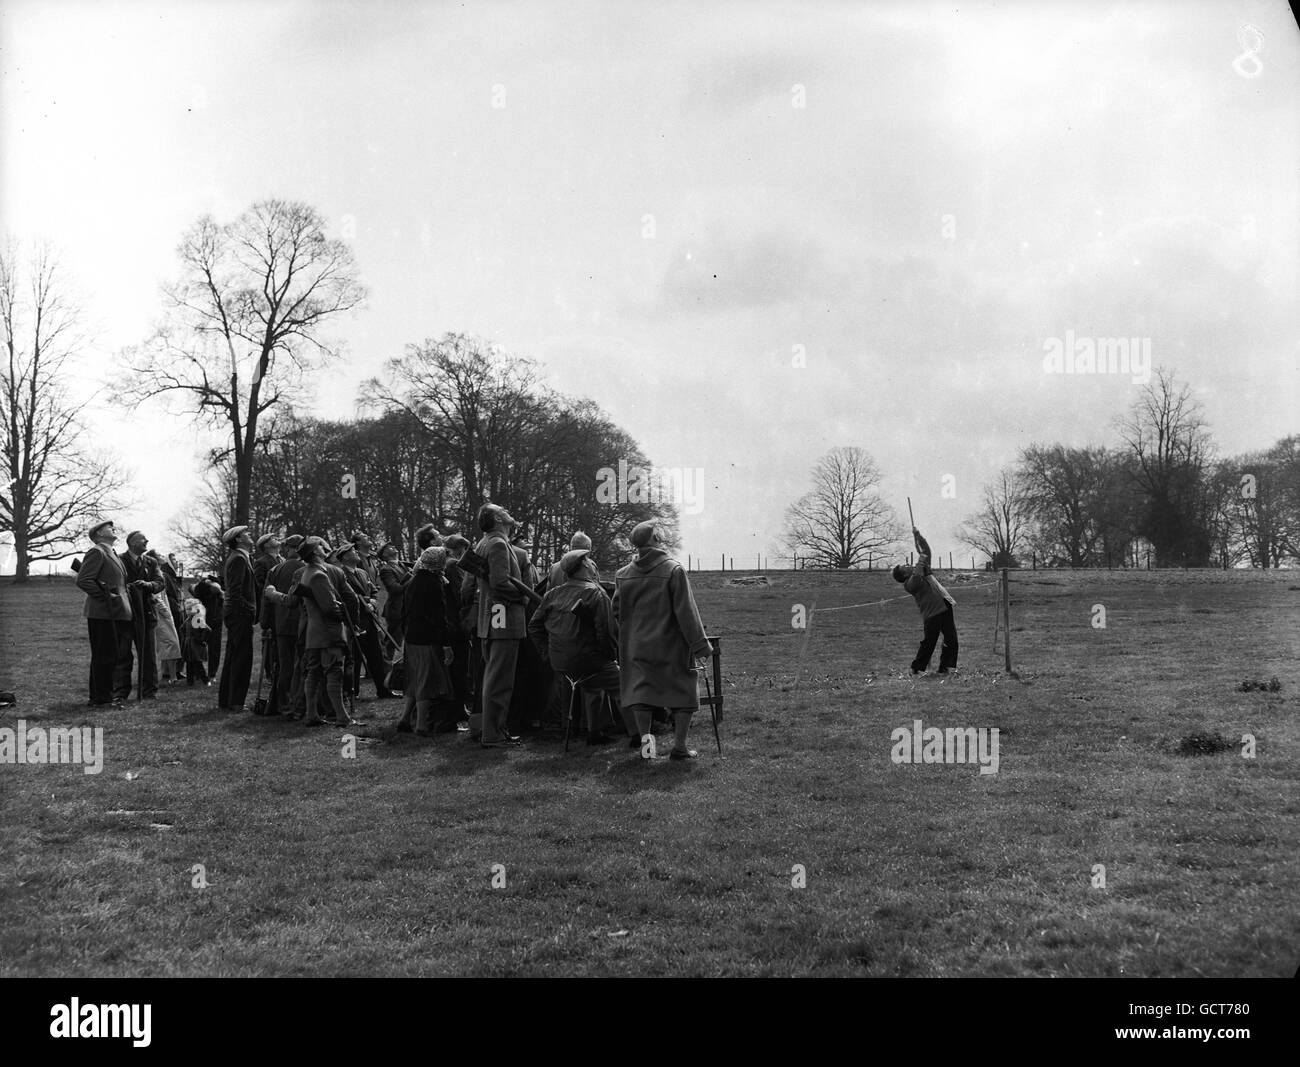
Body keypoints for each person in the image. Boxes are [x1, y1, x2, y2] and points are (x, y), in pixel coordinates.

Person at [613, 521, 713, 761]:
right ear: (656, 539)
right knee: (684, 692)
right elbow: (687, 612)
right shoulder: (673, 570)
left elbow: (616, 611)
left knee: (642, 696)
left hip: (637, 646)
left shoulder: (623, 575)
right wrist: (700, 645)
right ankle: (679, 747)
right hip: (671, 646)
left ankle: (648, 749)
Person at [530, 548, 635, 745]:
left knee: (592, 685)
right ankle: (639, 736)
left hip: (561, 663)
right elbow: (606, 632)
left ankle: (595, 733)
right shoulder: (596, 593)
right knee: (623, 687)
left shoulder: (552, 594)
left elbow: (534, 626)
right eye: (588, 561)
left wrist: (548, 653)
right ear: (584, 566)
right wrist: (610, 657)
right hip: (589, 659)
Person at [284, 536, 357, 728]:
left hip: (314, 633)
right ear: (316, 552)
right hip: (328, 632)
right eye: (321, 547)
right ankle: (342, 717)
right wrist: (343, 612)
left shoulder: (308, 572)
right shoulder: (319, 575)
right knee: (334, 673)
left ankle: (312, 715)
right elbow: (329, 608)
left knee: (314, 674)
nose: (325, 549)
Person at [473, 504, 525, 748]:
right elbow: (500, 582)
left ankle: (495, 730)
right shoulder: (497, 543)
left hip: (492, 618)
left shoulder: (484, 542)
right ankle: (493, 734)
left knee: (493, 678)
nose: (507, 510)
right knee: (499, 680)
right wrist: (524, 598)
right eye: (502, 510)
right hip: (502, 619)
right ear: (496, 518)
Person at [395, 546, 457, 735]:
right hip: (427, 639)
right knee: (426, 680)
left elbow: (403, 612)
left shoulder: (413, 580)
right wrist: (446, 644)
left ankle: (405, 719)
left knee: (415, 679)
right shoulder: (433, 583)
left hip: (412, 637)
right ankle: (421, 725)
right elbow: (439, 617)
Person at [75, 518, 133, 708]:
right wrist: (105, 596)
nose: (113, 528)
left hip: (116, 613)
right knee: (104, 656)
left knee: (112, 656)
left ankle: (103, 697)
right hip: (103, 613)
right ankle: (100, 699)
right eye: (109, 527)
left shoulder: (112, 553)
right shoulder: (97, 551)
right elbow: (84, 580)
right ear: (99, 534)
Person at [893, 526, 958, 675]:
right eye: (905, 567)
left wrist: (919, 537)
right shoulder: (910, 584)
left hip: (945, 604)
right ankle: (916, 668)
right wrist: (920, 559)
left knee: (951, 639)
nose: (908, 565)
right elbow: (917, 571)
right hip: (932, 613)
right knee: (929, 642)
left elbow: (927, 552)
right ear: (903, 575)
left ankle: (946, 667)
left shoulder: (921, 571)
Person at [336, 542, 397, 699]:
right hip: (354, 622)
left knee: (377, 657)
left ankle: (383, 690)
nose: (356, 552)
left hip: (370, 621)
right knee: (354, 659)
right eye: (351, 551)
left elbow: (374, 589)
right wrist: (366, 601)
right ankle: (352, 692)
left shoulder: (362, 572)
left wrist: (373, 601)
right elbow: (344, 596)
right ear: (344, 557)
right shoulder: (340, 573)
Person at [113, 531, 165, 701]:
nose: (147, 541)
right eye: (143, 539)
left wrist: (148, 585)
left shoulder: (151, 562)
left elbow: (160, 583)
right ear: (132, 542)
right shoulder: (119, 560)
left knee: (149, 655)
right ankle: (120, 692)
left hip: (147, 614)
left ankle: (149, 691)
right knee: (123, 655)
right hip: (125, 614)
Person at [262, 534, 307, 718]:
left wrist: (266, 624)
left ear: (288, 549)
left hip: (281, 625)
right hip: (302, 623)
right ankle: (299, 704)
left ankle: (283, 705)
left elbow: (267, 599)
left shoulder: (274, 570)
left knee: (284, 666)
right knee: (301, 666)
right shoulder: (307, 569)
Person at [218, 525, 257, 712]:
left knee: (234, 656)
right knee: (241, 657)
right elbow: (235, 591)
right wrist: (249, 609)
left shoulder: (240, 558)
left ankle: (228, 700)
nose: (250, 536)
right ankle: (236, 701)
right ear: (239, 539)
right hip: (239, 615)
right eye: (246, 534)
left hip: (236, 614)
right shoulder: (239, 559)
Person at [147, 551, 184, 684]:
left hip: (164, 615)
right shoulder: (156, 576)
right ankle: (172, 677)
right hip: (162, 616)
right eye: (160, 555)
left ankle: (168, 675)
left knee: (169, 644)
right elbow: (157, 597)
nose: (164, 558)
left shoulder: (160, 574)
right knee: (171, 643)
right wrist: (166, 612)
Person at [377, 542, 411, 648]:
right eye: (389, 548)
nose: (394, 547)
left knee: (409, 641)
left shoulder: (403, 564)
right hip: (396, 611)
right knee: (392, 643)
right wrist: (411, 577)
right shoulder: (385, 569)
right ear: (385, 555)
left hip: (407, 608)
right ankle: (387, 664)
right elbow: (395, 589)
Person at [192, 573, 224, 682]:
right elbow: (196, 592)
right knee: (198, 646)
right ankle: (199, 673)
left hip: (215, 620)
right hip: (202, 619)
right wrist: (205, 582)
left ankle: (212, 674)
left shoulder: (220, 591)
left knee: (214, 648)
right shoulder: (202, 588)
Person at [180, 589, 212, 686]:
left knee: (198, 664)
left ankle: (206, 680)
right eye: (187, 609)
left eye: (190, 609)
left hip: (196, 645)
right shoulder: (188, 620)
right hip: (189, 645)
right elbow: (181, 629)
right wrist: (185, 638)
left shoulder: (198, 619)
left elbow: (208, 630)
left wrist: (202, 639)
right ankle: (190, 682)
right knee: (189, 664)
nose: (188, 611)